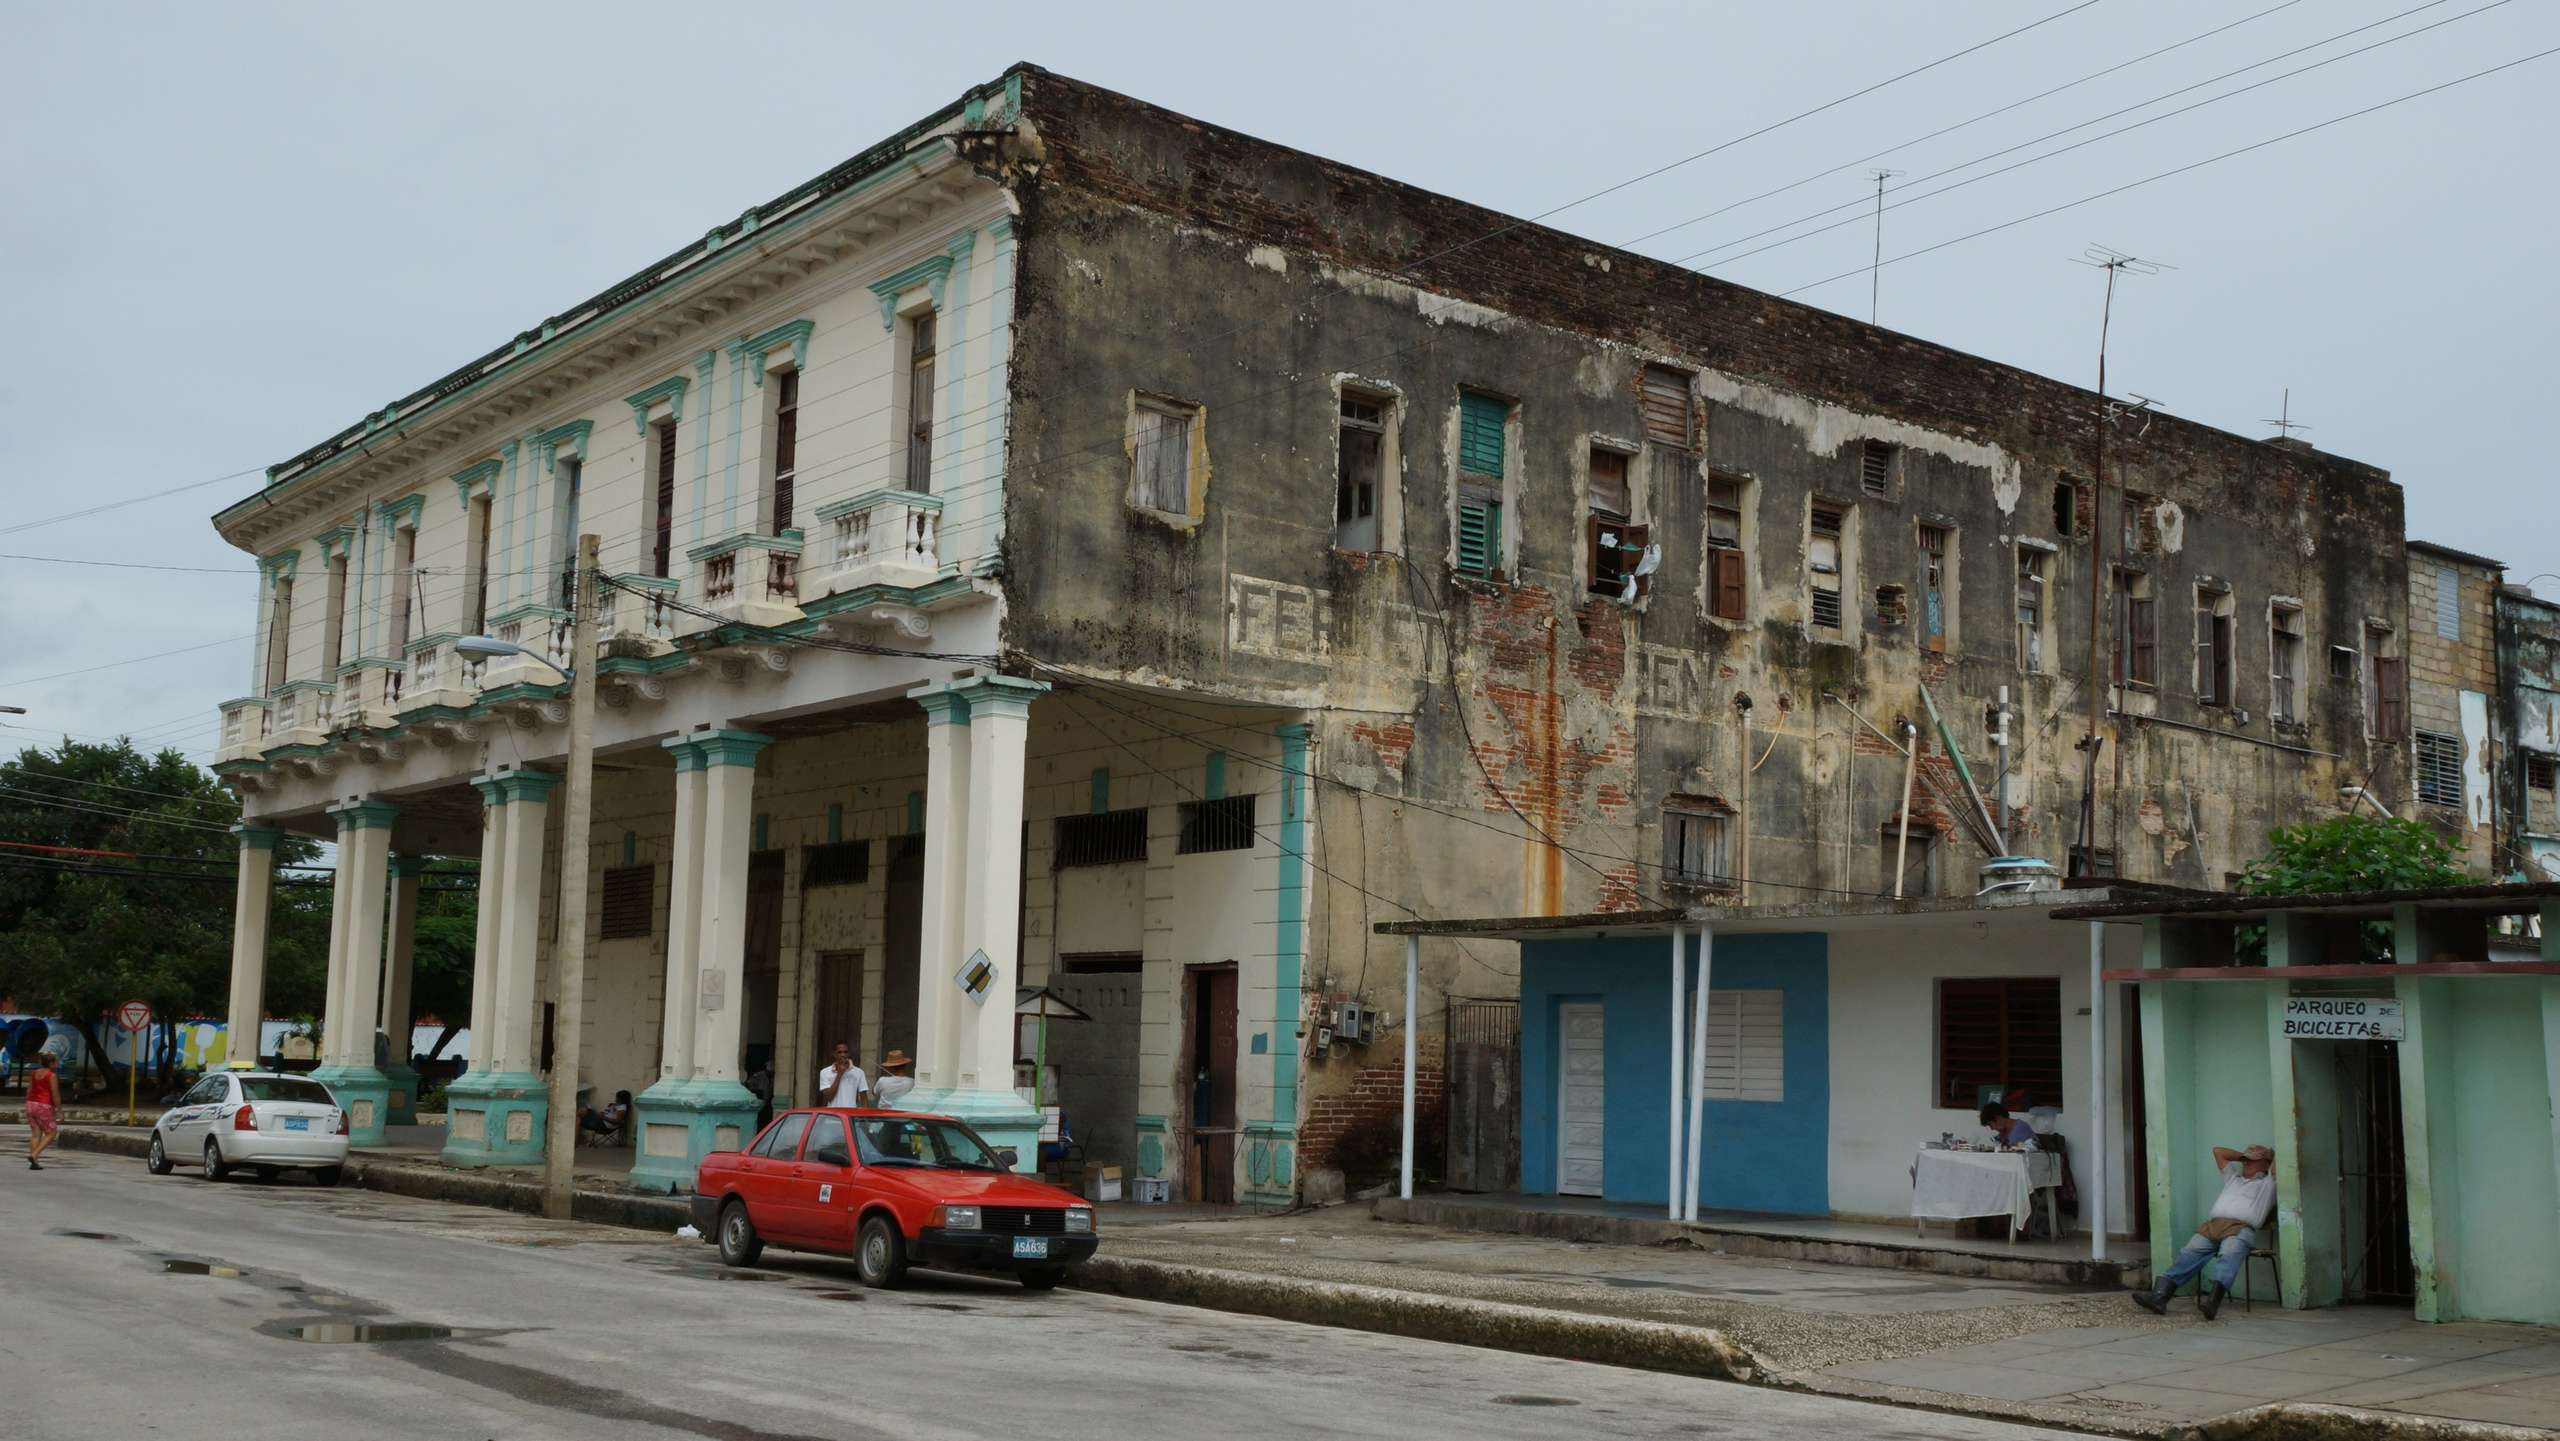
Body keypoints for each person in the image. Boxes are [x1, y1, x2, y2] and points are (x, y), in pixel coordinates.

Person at [2134, 1143, 2276, 1319]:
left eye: (2253, 1161)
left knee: (2228, 1253)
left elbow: (2280, 1158)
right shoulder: (2234, 1177)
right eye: (2245, 1160)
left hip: (2241, 1228)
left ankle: (2212, 1303)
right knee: (2189, 1252)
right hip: (2213, 1226)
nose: (2247, 1163)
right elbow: (2218, 1152)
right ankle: (2159, 1297)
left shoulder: (2268, 1182)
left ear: (2266, 1164)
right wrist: (2244, 1156)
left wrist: (2266, 1159)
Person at [25, 1049, 61, 1169]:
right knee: (52, 1132)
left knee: (36, 1134)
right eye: (56, 1061)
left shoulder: (34, 1073)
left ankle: (34, 1162)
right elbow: (55, 1094)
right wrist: (59, 1111)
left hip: (31, 1103)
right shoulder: (52, 1075)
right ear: (51, 1064)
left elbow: (29, 1089)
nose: (58, 1063)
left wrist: (28, 1103)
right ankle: (34, 1155)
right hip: (43, 1104)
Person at [817, 1044, 867, 1108]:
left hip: (850, 1114)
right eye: (839, 1052)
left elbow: (863, 1098)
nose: (843, 1055)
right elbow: (828, 1097)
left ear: (849, 1053)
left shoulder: (859, 1072)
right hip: (833, 1115)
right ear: (834, 1054)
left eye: (845, 1052)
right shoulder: (825, 1072)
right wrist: (840, 1073)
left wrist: (865, 1117)